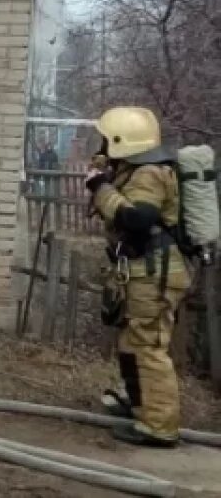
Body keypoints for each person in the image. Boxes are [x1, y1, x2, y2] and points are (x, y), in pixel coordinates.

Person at [86, 106, 188, 448]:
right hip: (143, 271)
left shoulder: (149, 173)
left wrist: (102, 189)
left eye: (105, 140)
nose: (101, 145)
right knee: (131, 342)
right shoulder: (132, 169)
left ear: (120, 141)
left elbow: (139, 218)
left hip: (155, 272)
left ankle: (159, 426)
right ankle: (141, 406)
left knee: (148, 345)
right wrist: (105, 175)